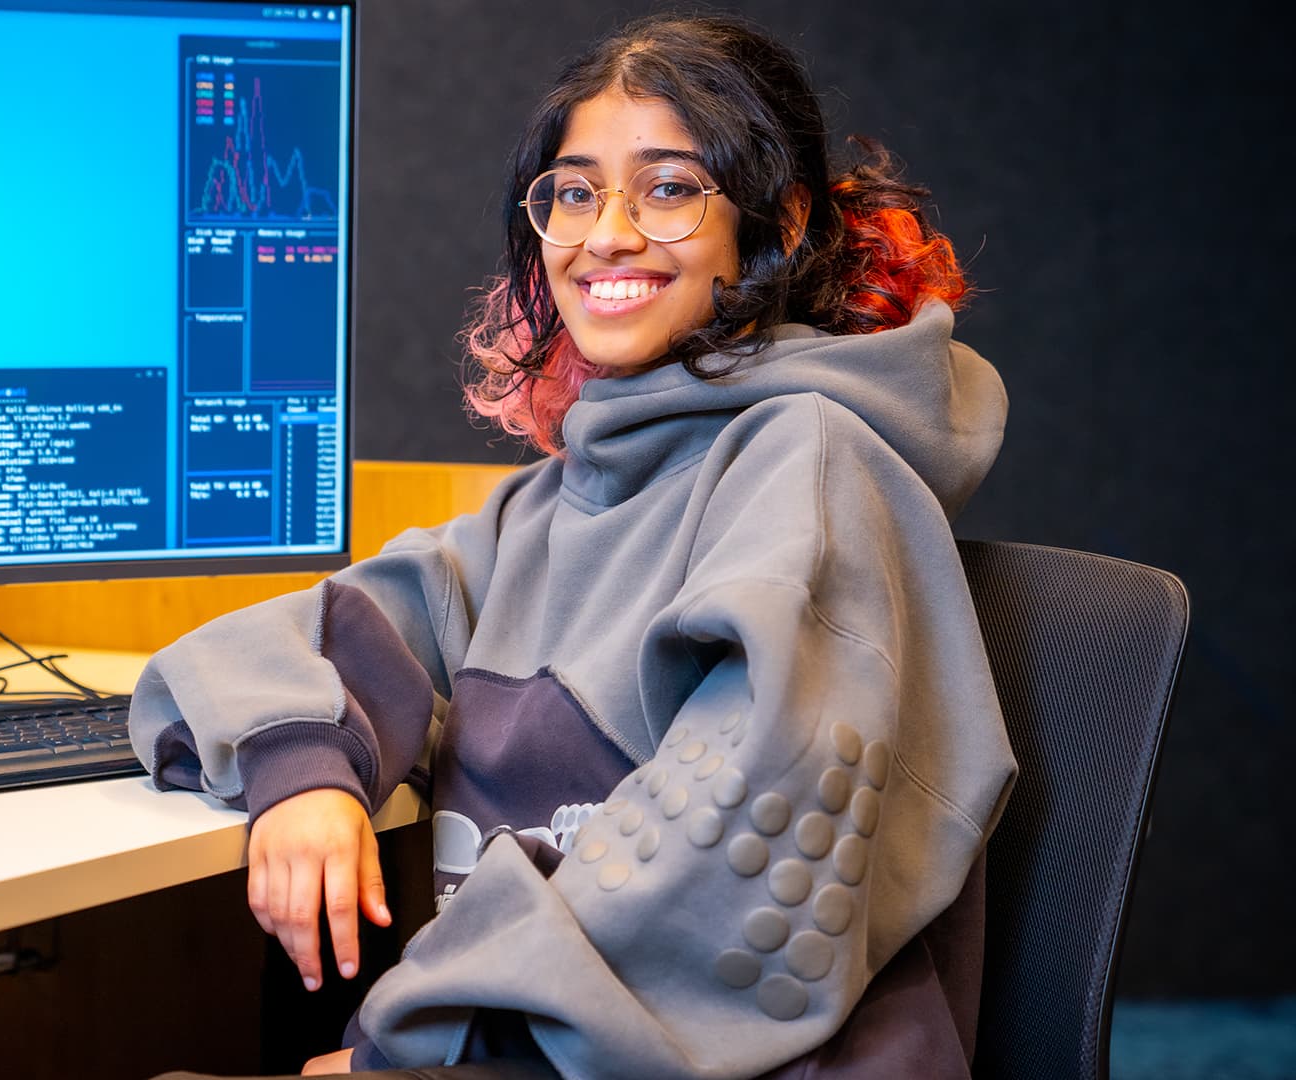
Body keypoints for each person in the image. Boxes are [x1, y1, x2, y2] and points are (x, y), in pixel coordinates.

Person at [132, 14, 1017, 1079]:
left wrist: (405, 1052)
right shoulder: (555, 503)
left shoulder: (813, 467)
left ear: (775, 223)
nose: (607, 235)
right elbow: (275, 645)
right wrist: (305, 769)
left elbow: (734, 857)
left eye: (670, 188)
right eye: (575, 192)